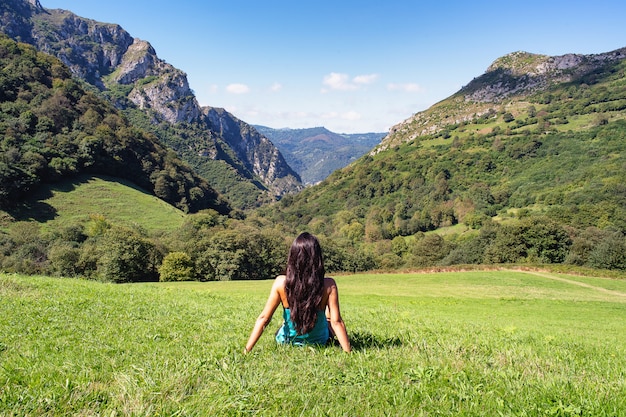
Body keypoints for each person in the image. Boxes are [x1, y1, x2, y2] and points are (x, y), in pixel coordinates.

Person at [244, 232, 351, 353]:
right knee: (328, 318)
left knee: (282, 326)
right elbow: (336, 322)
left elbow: (264, 318)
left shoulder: (280, 283)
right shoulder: (329, 285)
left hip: (286, 341)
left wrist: (246, 350)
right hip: (319, 342)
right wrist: (348, 352)